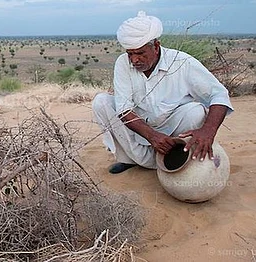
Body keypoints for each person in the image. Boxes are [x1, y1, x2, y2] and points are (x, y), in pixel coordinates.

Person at [92, 11, 234, 174]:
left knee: (196, 112)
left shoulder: (182, 62)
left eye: (140, 53)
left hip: (174, 131)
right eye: (130, 53)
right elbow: (124, 109)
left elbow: (219, 94)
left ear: (156, 47)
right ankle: (130, 159)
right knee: (101, 102)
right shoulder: (123, 63)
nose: (134, 60)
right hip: (141, 130)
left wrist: (208, 130)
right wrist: (152, 136)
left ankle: (180, 158)